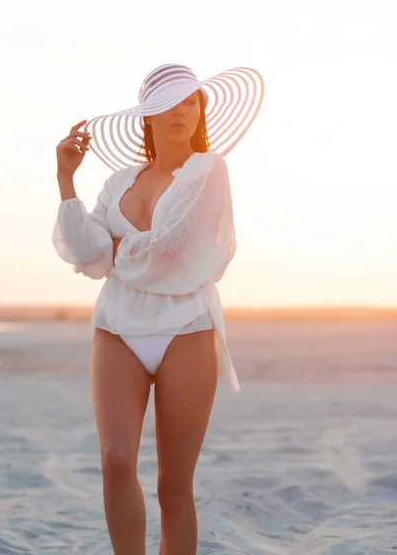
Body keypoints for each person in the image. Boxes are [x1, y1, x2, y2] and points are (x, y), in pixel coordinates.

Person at [52, 63, 264, 555]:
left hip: (187, 328)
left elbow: (178, 254)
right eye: (168, 105)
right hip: (116, 326)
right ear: (146, 116)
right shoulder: (118, 181)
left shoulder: (209, 170)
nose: (181, 113)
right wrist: (66, 180)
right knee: (116, 461)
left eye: (190, 102)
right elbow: (88, 256)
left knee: (174, 486)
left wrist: (117, 249)